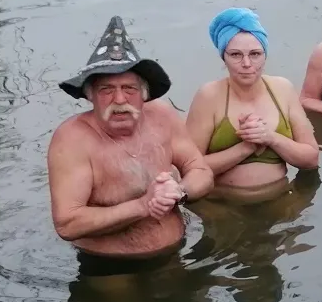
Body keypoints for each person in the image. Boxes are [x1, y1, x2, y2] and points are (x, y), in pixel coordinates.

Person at [48, 16, 214, 268]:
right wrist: (142, 206)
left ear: (143, 94)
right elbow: (67, 223)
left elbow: (201, 171)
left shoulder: (163, 116)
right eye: (106, 90)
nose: (119, 99)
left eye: (129, 89)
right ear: (90, 95)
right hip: (109, 266)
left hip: (176, 255)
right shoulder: (71, 139)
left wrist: (179, 192)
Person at [185, 8, 319, 199]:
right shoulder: (209, 96)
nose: (246, 63)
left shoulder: (283, 89)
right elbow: (189, 168)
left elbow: (311, 158)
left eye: (255, 54)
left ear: (265, 55)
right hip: (223, 205)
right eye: (235, 55)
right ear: (223, 57)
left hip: (281, 201)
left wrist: (270, 138)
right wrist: (244, 148)